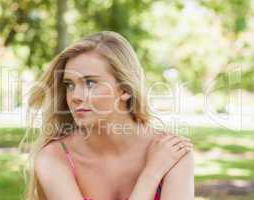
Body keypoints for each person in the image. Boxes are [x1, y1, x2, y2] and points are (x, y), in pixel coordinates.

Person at [20, 31, 194, 200]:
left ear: (125, 89)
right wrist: (151, 175)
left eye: (90, 83)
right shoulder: (54, 157)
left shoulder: (172, 152)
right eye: (70, 85)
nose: (75, 96)